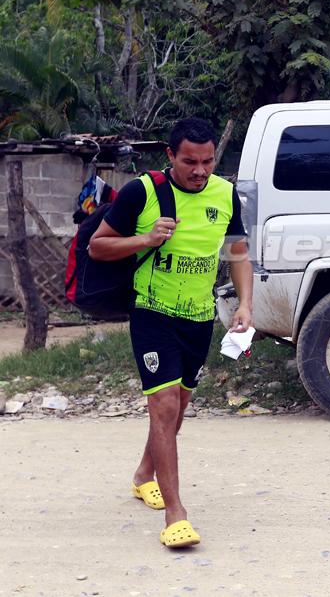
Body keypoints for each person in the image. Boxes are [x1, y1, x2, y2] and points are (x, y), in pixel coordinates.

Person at [90, 117, 253, 548]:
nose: (200, 171)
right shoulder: (142, 192)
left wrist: (245, 306)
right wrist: (144, 239)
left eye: (207, 161)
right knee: (162, 405)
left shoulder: (225, 193)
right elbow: (98, 246)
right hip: (152, 310)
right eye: (189, 162)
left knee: (178, 408)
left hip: (199, 317)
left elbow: (238, 253)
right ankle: (175, 514)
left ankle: (145, 474)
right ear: (170, 156)